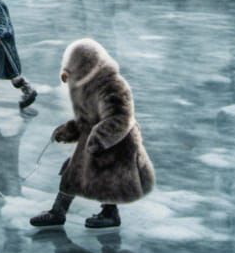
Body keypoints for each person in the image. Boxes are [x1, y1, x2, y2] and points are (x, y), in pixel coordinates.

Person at [30, 38, 155, 231]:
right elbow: (85, 119)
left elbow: (121, 117)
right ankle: (58, 211)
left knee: (109, 177)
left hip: (116, 142)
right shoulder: (84, 87)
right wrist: (69, 130)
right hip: (94, 138)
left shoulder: (112, 85)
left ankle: (110, 213)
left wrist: (98, 139)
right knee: (72, 171)